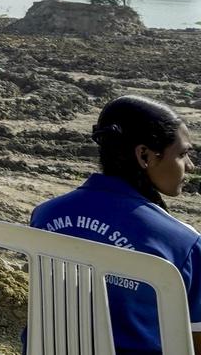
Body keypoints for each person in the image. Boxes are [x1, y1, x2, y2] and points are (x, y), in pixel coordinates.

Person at [30, 95, 200, 353]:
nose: (190, 165)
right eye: (183, 154)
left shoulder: (45, 215)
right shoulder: (182, 242)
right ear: (144, 155)